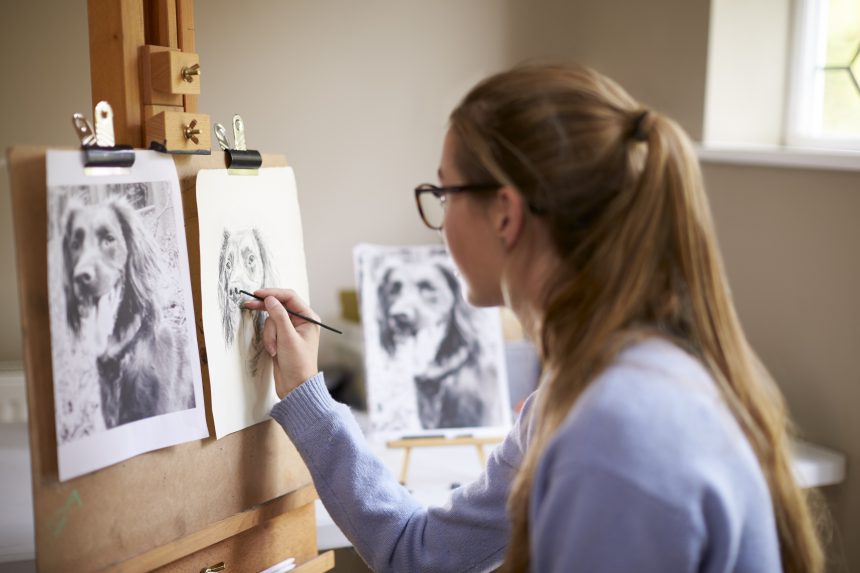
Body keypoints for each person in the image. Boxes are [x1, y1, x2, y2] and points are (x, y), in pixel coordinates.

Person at [244, 64, 825, 572]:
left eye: (443, 193)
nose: (439, 220)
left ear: (505, 214)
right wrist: (306, 392)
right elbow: (418, 553)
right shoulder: (572, 395)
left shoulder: (614, 433)